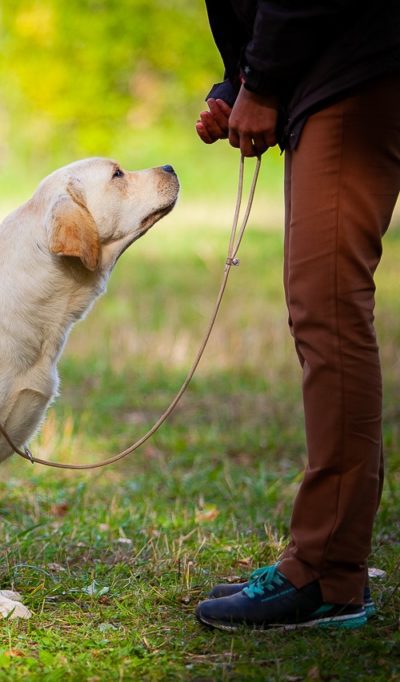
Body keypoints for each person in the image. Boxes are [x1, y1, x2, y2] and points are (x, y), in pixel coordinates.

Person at [192, 1, 400, 630]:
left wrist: (262, 84)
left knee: (327, 312)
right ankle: (331, 562)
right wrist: (238, 85)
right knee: (324, 309)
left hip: (359, 68)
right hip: (332, 72)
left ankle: (326, 572)